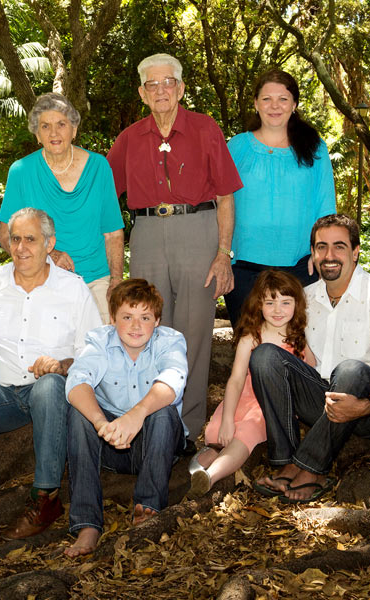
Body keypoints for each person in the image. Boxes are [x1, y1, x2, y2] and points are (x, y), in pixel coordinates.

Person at [0, 207, 103, 557]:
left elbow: (94, 352)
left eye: (30, 239)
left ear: (50, 244)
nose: (20, 248)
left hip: (45, 393)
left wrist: (62, 364)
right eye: (14, 239)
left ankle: (45, 498)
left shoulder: (73, 289)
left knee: (50, 386)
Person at [107, 53, 242, 442]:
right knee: (145, 326)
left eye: (169, 82)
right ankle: (152, 421)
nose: (161, 90)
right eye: (153, 84)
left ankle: (188, 426)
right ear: (142, 93)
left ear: (181, 89)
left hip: (198, 229)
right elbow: (101, 195)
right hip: (147, 232)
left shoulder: (204, 128)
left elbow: (226, 197)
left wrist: (223, 254)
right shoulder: (129, 138)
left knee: (195, 331)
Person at [252, 215, 370, 503]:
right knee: (265, 356)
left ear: (355, 252)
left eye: (339, 246)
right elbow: (281, 353)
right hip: (325, 402)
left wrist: (368, 405)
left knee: (351, 369)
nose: (329, 256)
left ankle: (311, 468)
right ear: (313, 254)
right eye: (321, 247)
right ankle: (284, 462)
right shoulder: (304, 298)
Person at [64, 279, 188, 557]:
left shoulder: (170, 341)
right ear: (113, 319)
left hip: (157, 442)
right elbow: (77, 382)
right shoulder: (99, 341)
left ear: (157, 321)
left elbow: (173, 380)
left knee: (164, 411)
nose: (135, 326)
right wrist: (100, 423)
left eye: (145, 317)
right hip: (110, 441)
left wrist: (136, 415)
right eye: (127, 317)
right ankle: (87, 524)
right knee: (78, 414)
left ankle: (148, 509)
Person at [0, 93, 125, 322]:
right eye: (45, 126)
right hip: (43, 279)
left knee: (101, 352)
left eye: (61, 124)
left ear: (74, 129)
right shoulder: (21, 171)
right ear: (37, 134)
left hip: (96, 281)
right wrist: (49, 254)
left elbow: (113, 233)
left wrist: (115, 281)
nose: (54, 133)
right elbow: (6, 234)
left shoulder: (99, 167)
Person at [187, 270, 315, 498]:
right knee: (218, 434)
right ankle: (196, 469)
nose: (278, 310)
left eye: (286, 302)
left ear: (297, 305)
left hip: (269, 405)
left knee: (245, 433)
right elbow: (236, 380)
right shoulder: (252, 337)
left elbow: (310, 371)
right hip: (244, 397)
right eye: (270, 302)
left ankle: (210, 477)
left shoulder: (298, 339)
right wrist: (227, 418)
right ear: (259, 305)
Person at [224, 69, 336, 327]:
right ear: (255, 103)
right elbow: (221, 202)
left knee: (297, 346)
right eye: (266, 99)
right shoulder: (237, 147)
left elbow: (325, 203)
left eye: (283, 99)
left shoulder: (314, 147)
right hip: (243, 268)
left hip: (300, 267)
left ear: (294, 104)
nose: (275, 106)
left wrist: (320, 251)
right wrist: (221, 254)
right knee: (250, 348)